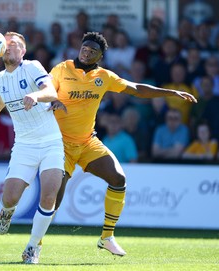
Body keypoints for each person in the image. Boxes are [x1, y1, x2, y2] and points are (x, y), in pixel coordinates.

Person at [49, 32, 197, 256]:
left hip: (88, 142)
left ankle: (107, 237)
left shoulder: (105, 77)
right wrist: (51, 100)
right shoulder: (62, 69)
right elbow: (46, 90)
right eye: (84, 48)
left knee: (118, 179)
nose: (86, 52)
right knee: (53, 202)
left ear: (100, 56)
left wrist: (170, 92)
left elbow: (137, 88)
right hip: (61, 144)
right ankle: (34, 244)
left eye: (92, 50)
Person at [0, 32, 64, 264]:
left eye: (14, 45)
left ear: (23, 51)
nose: (8, 47)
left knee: (49, 194)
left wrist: (36, 95)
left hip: (51, 142)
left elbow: (51, 92)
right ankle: (6, 212)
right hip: (24, 146)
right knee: (10, 198)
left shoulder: (31, 67)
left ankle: (32, 247)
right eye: (5, 44)